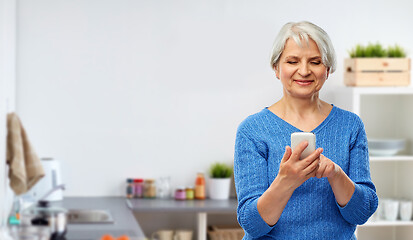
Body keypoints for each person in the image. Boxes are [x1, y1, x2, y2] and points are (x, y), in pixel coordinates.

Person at [234, 21, 378, 240]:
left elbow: (361, 212)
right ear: (276, 68)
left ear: (327, 69)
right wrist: (285, 181)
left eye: (315, 62)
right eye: (292, 61)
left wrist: (336, 175)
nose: (304, 71)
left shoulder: (350, 125)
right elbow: (252, 225)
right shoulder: (252, 130)